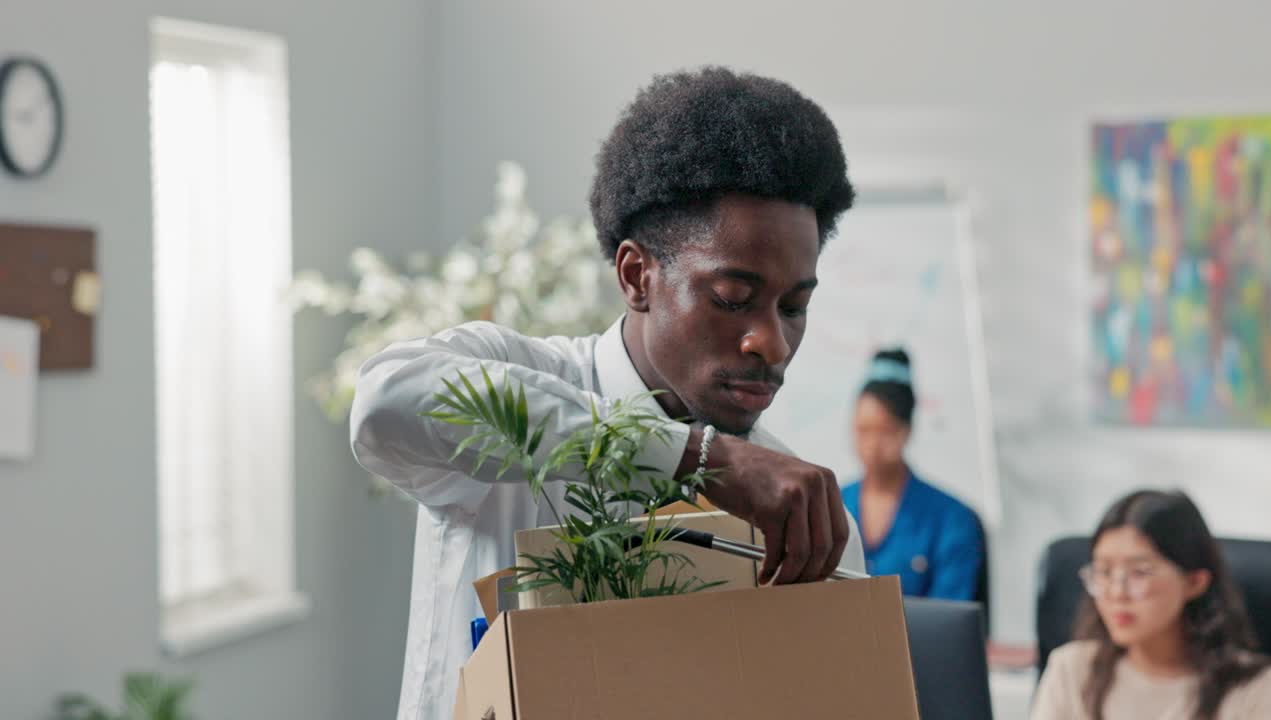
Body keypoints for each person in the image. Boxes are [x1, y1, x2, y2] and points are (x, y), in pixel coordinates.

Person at [350, 67, 863, 720]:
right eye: (733, 299)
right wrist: (697, 458)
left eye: (793, 307)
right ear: (636, 276)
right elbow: (383, 403)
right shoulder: (524, 381)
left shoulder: (800, 512)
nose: (772, 342)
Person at [1032, 490, 1271, 719]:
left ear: (1194, 582)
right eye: (1104, 572)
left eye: (1140, 572)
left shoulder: (1261, 691)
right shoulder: (1072, 670)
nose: (1118, 592)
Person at [839, 348, 984, 600]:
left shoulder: (951, 519)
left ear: (906, 430)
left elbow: (949, 621)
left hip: (919, 640)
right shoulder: (832, 505)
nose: (872, 444)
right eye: (863, 430)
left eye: (885, 431)